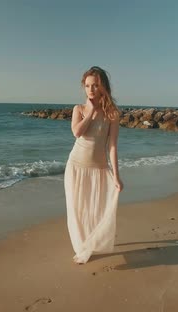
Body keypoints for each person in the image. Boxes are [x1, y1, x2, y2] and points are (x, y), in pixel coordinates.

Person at [64, 66, 123, 264]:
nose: (91, 89)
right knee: (77, 210)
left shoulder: (113, 114)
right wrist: (90, 112)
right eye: (88, 85)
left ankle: (92, 242)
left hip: (98, 169)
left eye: (95, 85)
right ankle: (83, 248)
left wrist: (116, 175)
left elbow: (112, 147)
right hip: (75, 167)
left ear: (103, 87)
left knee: (96, 209)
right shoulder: (78, 109)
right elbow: (76, 132)